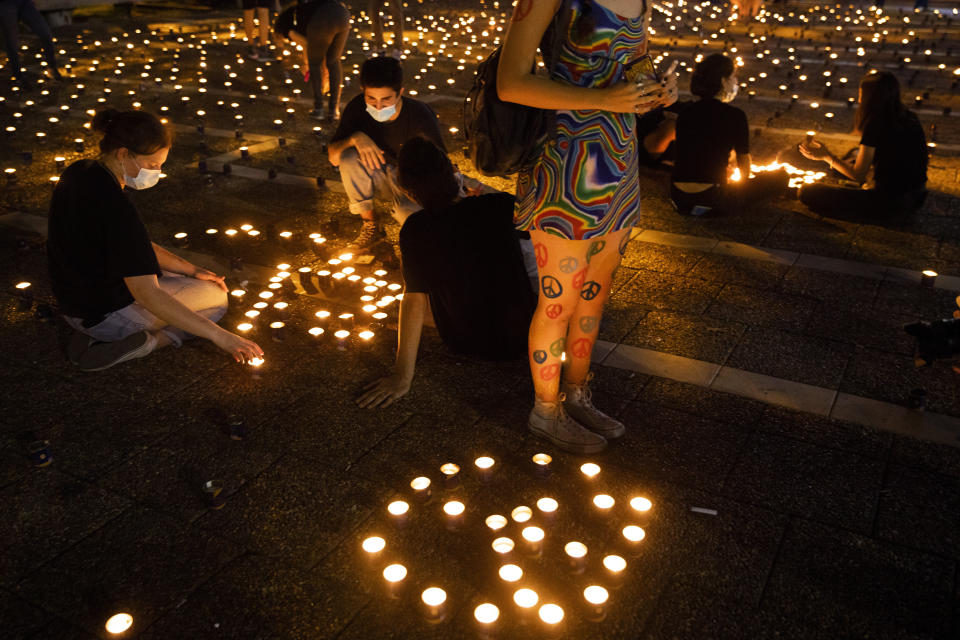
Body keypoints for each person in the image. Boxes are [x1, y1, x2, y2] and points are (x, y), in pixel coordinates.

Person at [498, 0, 677, 454]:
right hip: (566, 164)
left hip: (618, 160)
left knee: (596, 292)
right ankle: (545, 408)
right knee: (559, 299)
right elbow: (510, 82)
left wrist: (656, 89)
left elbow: (634, 61)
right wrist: (602, 99)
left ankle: (577, 393)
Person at [47, 109, 264, 372]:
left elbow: (130, 246)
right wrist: (223, 338)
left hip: (73, 304)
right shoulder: (116, 208)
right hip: (107, 313)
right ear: (123, 153)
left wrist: (192, 269)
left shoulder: (78, 172)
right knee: (216, 297)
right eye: (152, 165)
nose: (157, 172)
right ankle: (149, 342)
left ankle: (94, 334)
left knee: (180, 279)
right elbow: (147, 293)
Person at [356, 137, 537, 408]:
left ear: (408, 191)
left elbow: (414, 299)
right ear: (453, 172)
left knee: (422, 285)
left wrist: (402, 377)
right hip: (525, 333)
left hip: (462, 337)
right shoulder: (500, 204)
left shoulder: (415, 229)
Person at [327, 56, 447, 250]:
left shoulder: (419, 115)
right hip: (379, 172)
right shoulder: (358, 107)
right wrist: (355, 138)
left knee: (413, 223)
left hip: (414, 181)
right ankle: (371, 225)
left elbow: (440, 167)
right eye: (371, 98)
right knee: (348, 156)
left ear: (400, 92)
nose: (378, 106)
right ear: (362, 91)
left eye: (386, 99)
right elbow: (333, 157)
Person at [798, 70, 928, 221]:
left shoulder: (875, 124)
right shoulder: (909, 116)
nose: (859, 99)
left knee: (807, 192)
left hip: (890, 204)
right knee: (848, 160)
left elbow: (858, 175)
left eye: (861, 94)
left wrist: (826, 156)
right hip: (917, 195)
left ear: (869, 97)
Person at [670, 53, 787, 216]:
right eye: (733, 77)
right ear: (723, 81)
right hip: (714, 197)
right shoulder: (735, 115)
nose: (736, 82)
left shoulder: (686, 112)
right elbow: (743, 161)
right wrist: (742, 185)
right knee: (780, 178)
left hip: (678, 196)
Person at [274, 0, 351, 121]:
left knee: (315, 64)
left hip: (322, 18)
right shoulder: (301, 10)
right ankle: (333, 110)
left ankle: (318, 109)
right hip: (342, 13)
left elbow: (307, 44)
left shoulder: (287, 29)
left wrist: (307, 65)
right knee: (334, 61)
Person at [0, 0, 62, 88]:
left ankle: (52, 67)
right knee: (11, 41)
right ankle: (18, 77)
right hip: (5, 4)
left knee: (45, 33)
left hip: (24, 3)